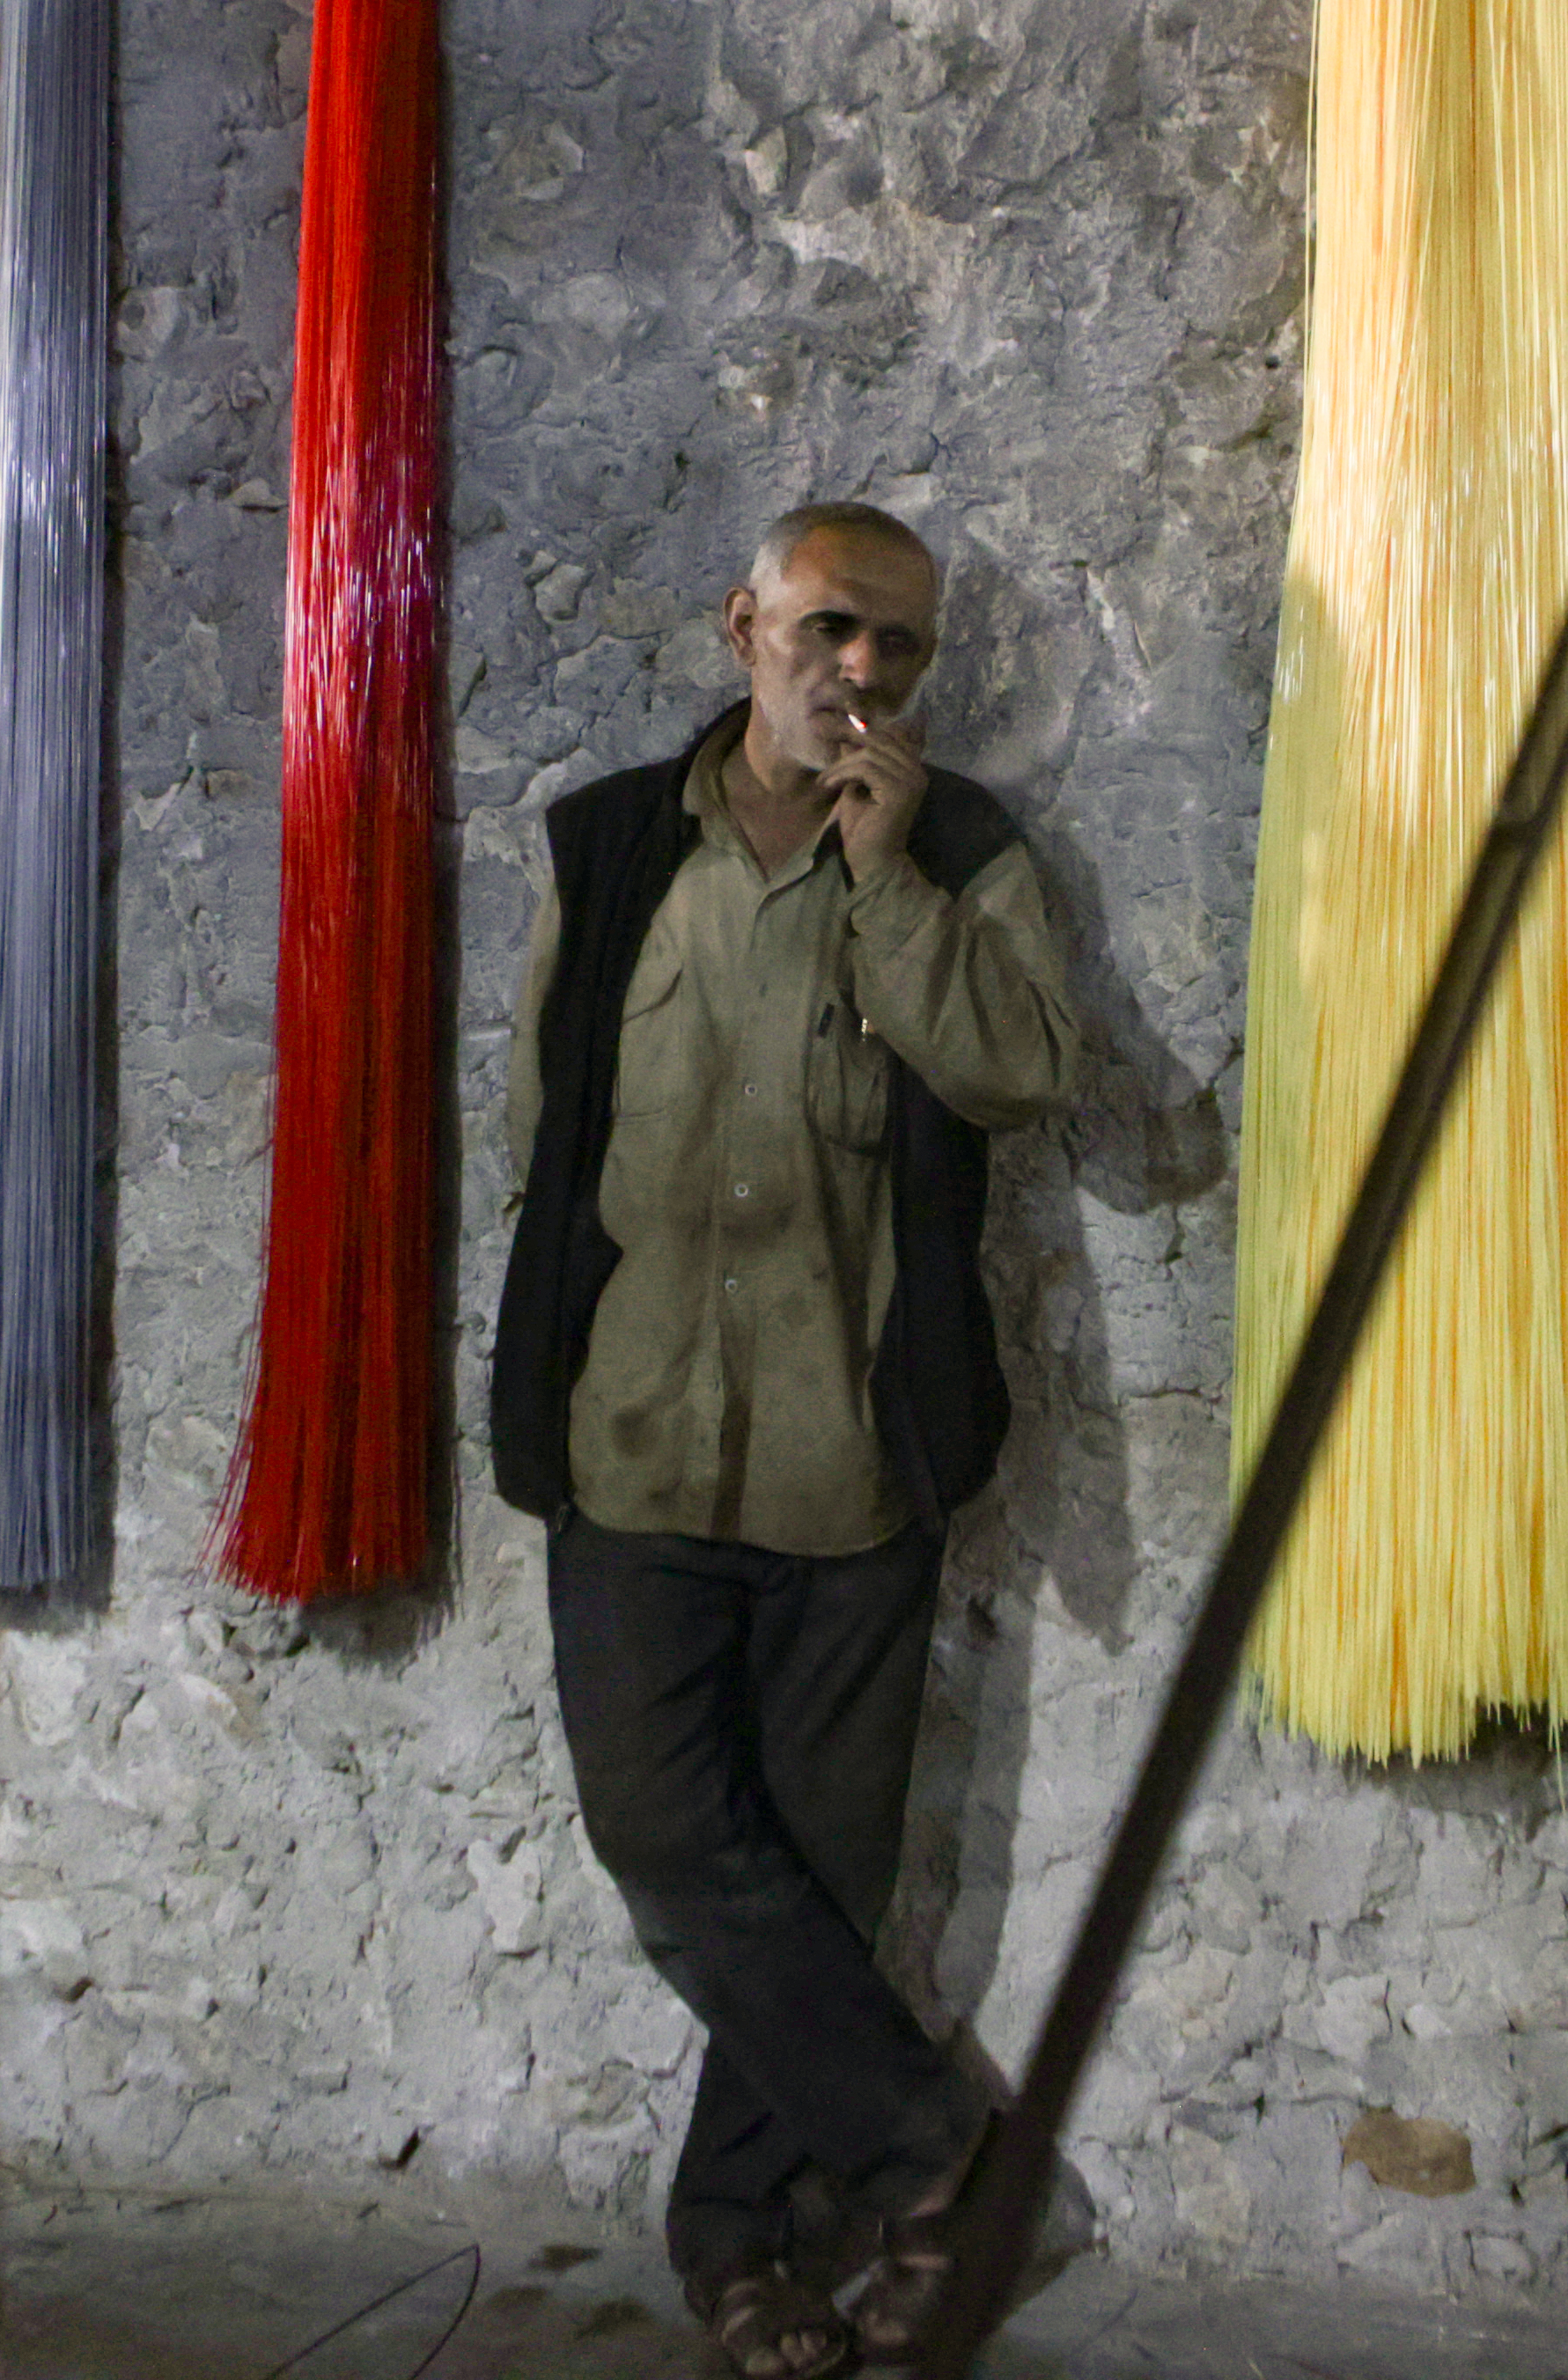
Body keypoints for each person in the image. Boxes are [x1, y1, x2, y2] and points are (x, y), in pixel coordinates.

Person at [492, 503, 1081, 2376]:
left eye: (901, 645)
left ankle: (742, 2252)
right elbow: (544, 1113)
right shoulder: (609, 845)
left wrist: (890, 882)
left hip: (853, 1464)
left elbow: (1021, 1069)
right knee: (664, 1832)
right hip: (633, 1451)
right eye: (832, 628)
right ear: (743, 624)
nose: (863, 672)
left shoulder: (962, 851)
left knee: (818, 1886)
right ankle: (947, 2163)